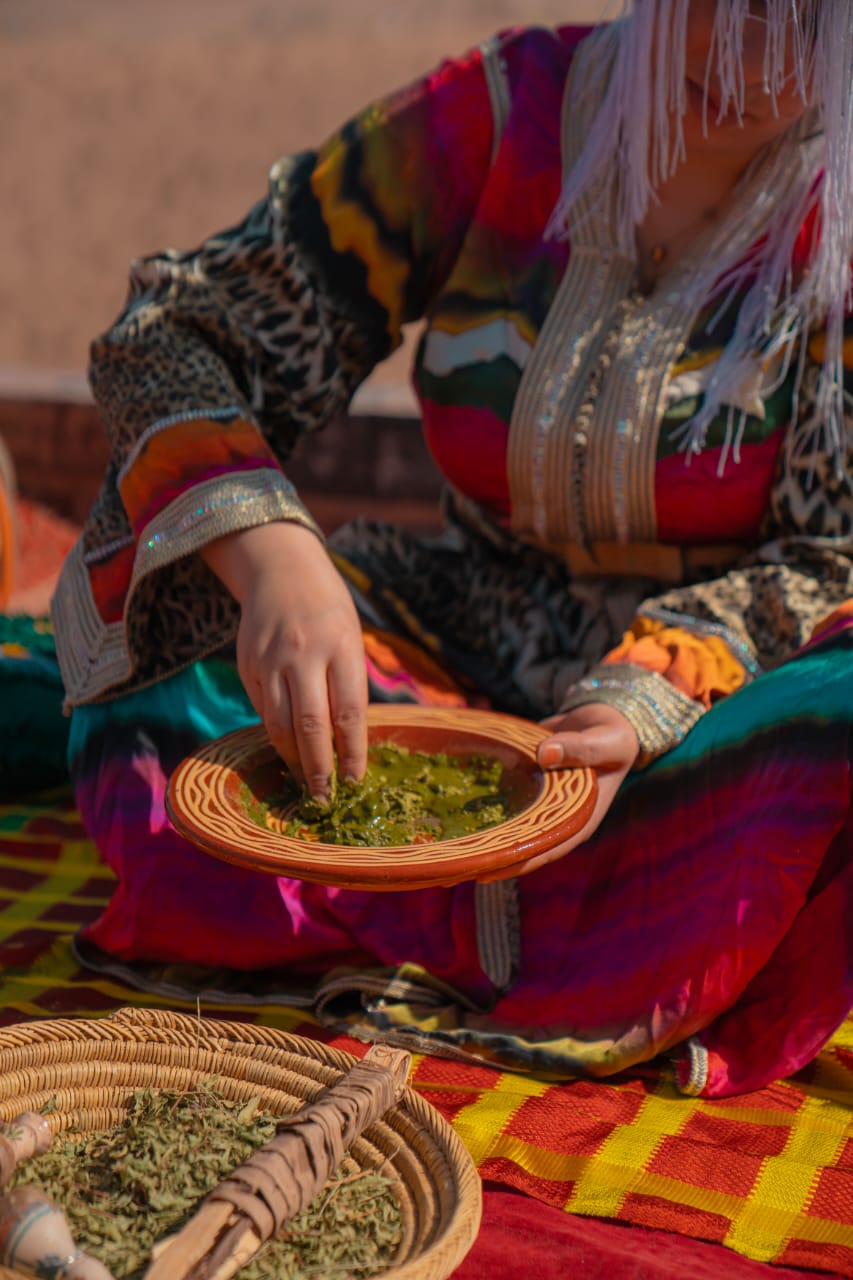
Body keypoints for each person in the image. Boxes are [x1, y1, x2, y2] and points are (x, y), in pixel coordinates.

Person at [52, 0, 853, 1098]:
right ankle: (595, 939)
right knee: (174, 605)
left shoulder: (838, 218)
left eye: (813, 31)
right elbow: (177, 333)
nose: (756, 65)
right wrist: (277, 556)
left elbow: (834, 551)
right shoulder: (503, 113)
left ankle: (390, 910)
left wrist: (650, 691)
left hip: (703, 727)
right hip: (447, 645)